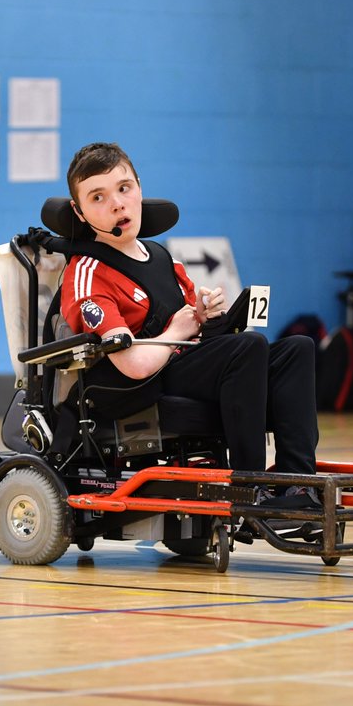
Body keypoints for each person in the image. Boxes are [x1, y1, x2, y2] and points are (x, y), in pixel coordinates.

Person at [58, 142, 319, 479]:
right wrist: (176, 332)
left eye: (124, 188)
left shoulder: (164, 259)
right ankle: (249, 485)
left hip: (180, 366)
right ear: (79, 212)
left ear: (139, 187)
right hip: (135, 388)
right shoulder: (87, 273)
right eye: (98, 197)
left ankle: (297, 486)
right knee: (247, 347)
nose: (117, 204)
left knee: (298, 348)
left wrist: (206, 317)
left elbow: (197, 335)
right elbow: (132, 365)